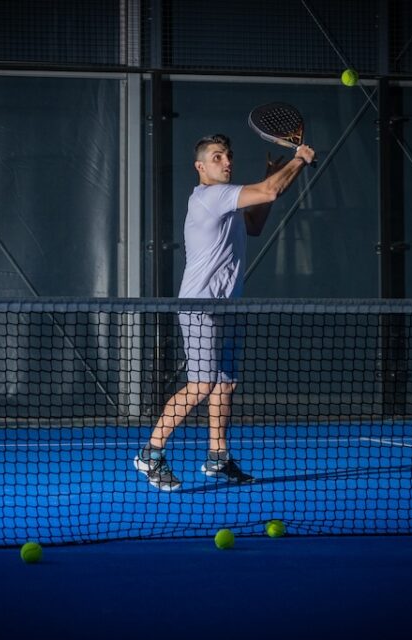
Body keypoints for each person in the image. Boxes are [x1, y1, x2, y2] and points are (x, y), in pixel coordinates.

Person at [134, 133, 316, 491]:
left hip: (228, 304)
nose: (227, 162)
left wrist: (274, 173)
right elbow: (269, 192)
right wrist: (299, 160)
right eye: (217, 157)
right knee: (201, 384)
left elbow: (255, 224)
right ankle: (150, 454)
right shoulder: (210, 196)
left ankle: (218, 457)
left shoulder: (228, 203)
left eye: (228, 156)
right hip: (201, 306)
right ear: (200, 167)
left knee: (224, 383)